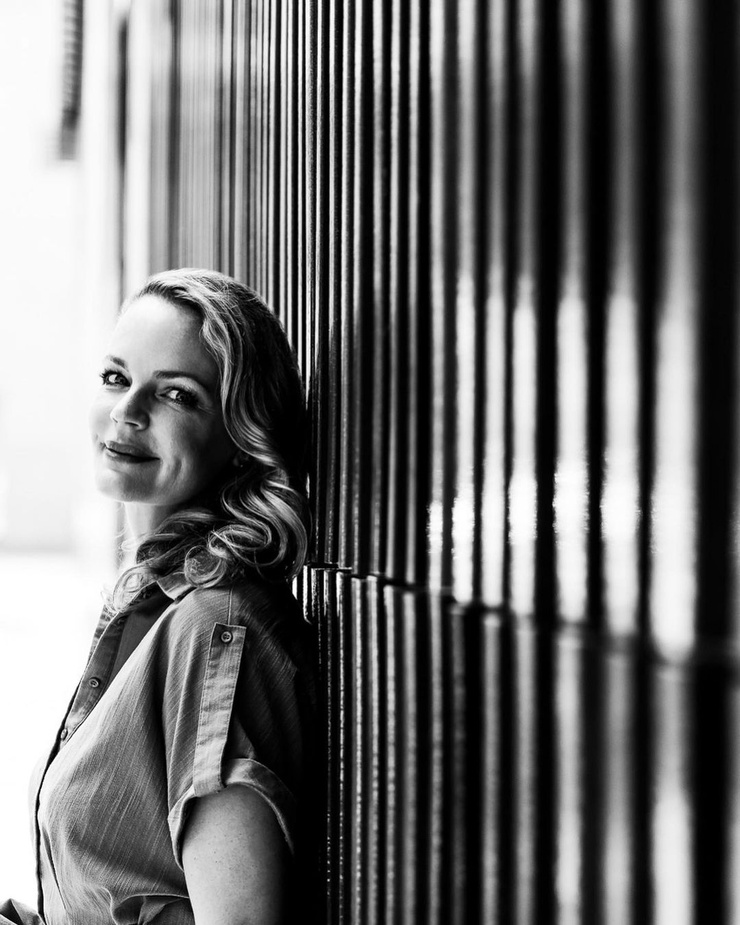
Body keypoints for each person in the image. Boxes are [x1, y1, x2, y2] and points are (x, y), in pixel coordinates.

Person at [1, 269, 319, 925]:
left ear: (241, 439)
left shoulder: (216, 630)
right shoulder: (156, 606)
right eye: (116, 378)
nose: (128, 410)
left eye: (177, 394)